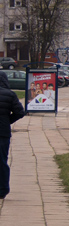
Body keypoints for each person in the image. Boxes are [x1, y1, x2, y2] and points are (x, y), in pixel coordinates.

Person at [0, 72, 27, 200]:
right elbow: (20, 112)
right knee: (2, 161)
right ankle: (3, 189)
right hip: (3, 132)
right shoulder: (10, 95)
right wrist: (7, 121)